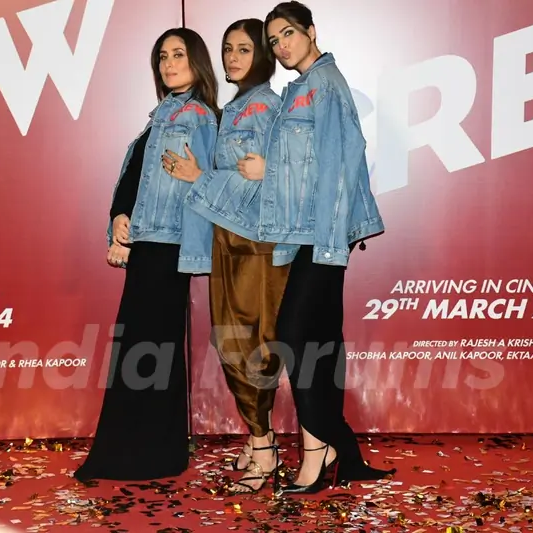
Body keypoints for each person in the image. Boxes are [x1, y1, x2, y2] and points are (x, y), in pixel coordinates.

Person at [233, 1, 398, 495]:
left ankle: (322, 445)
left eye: (288, 34)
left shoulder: (324, 85)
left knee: (298, 336)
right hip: (304, 233)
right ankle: (345, 455)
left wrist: (271, 173)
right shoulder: (301, 88)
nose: (281, 46)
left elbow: (338, 166)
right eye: (274, 41)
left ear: (310, 31)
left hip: (320, 235)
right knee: (322, 345)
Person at [73, 28, 219, 482]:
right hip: (148, 247)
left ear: (196, 61)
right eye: (162, 57)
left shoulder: (197, 116)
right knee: (141, 352)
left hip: (166, 248)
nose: (169, 63)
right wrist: (119, 217)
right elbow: (136, 180)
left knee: (149, 353)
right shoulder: (161, 115)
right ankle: (140, 451)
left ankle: (149, 454)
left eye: (178, 54)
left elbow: (209, 187)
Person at [165, 19, 287, 494]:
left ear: (264, 55)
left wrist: (199, 177)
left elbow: (254, 189)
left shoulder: (265, 108)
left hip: (255, 245)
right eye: (227, 49)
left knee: (250, 347)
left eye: (244, 49)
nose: (233, 57)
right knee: (233, 342)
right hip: (229, 242)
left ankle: (263, 447)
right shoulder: (236, 106)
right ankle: (262, 438)